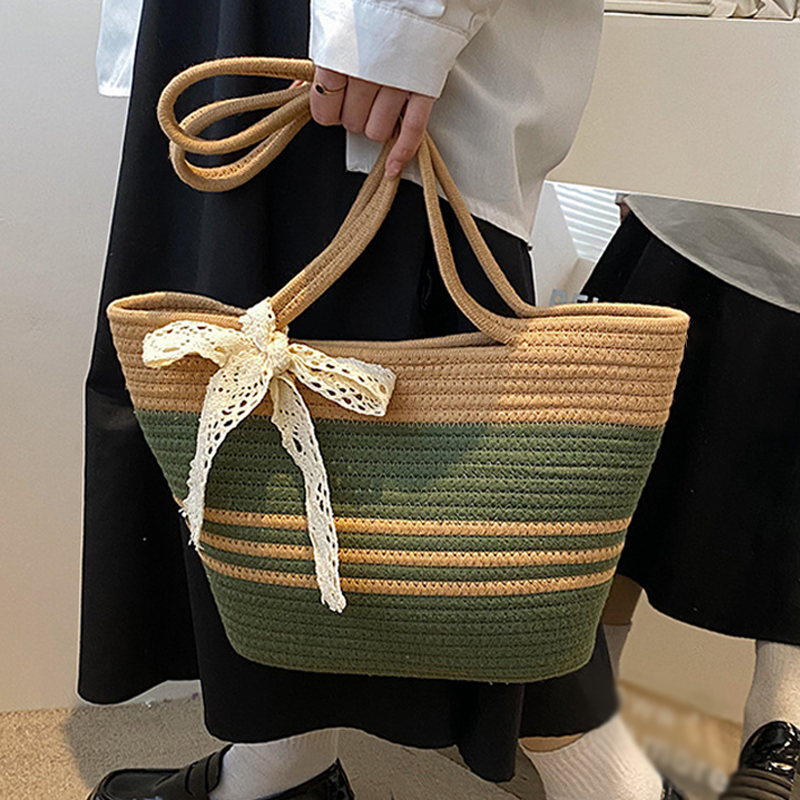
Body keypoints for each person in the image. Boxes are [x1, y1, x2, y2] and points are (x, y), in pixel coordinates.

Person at [84, 1, 685, 799]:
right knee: (269, 416)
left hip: (344, 35)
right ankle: (284, 762)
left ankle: (608, 784)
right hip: (233, 28)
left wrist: (411, 16)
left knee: (460, 482)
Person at [585, 195, 800, 799]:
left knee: (625, 471)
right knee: (791, 500)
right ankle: (780, 736)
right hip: (710, 218)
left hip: (694, 214)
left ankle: (587, 709)